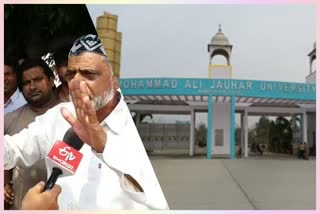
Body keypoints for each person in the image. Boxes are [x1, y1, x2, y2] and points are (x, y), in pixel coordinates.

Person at [4, 34, 169, 210]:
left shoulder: (135, 130)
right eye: (71, 74)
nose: (77, 83)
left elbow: (159, 202)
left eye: (89, 74)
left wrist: (106, 148)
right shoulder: (59, 116)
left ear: (114, 80)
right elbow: (11, 150)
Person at [4, 58, 60, 209]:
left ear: (51, 80)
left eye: (38, 79)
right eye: (26, 83)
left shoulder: (70, 115)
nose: (32, 86)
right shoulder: (8, 120)